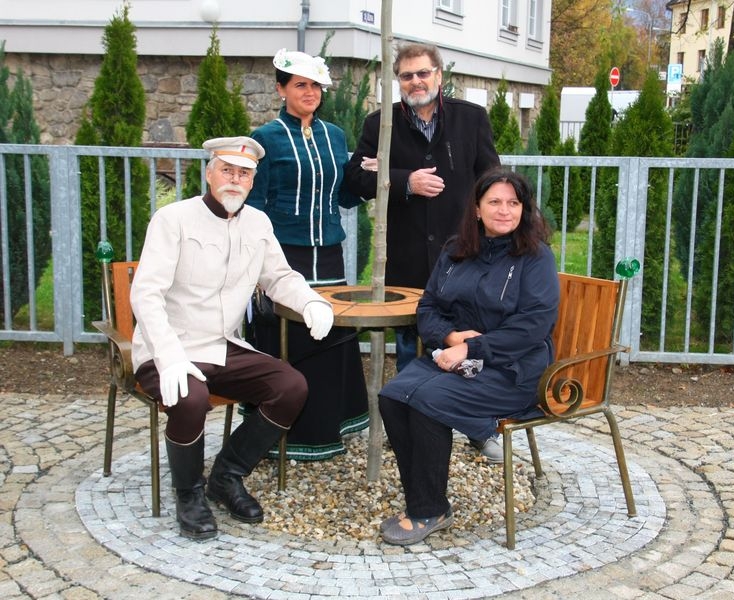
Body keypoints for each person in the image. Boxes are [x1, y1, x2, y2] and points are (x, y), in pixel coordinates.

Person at [131, 136, 335, 541]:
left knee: (291, 386)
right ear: (209, 172)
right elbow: (146, 293)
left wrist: (311, 302)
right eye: (227, 170)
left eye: (244, 173)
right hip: (169, 348)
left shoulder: (257, 224)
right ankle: (188, 494)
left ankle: (226, 476)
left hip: (223, 345)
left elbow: (279, 277)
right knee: (190, 399)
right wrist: (168, 355)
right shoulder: (173, 220)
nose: (235, 179)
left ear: (252, 181)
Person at [377, 167, 560, 545]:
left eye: (513, 203)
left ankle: (427, 509)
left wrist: (471, 348)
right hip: (457, 358)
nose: (504, 210)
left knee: (427, 400)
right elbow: (428, 307)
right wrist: (451, 336)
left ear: (524, 210)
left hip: (515, 371)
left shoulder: (535, 257)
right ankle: (425, 496)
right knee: (392, 396)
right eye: (494, 202)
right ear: (476, 209)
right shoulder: (456, 250)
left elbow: (533, 326)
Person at [344, 42, 502, 460]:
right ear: (397, 81)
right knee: (413, 343)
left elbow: (490, 180)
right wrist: (403, 180)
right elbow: (356, 181)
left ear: (439, 76)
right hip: (408, 257)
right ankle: (413, 425)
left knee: (470, 339)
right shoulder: (381, 124)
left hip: (465, 255)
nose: (416, 81)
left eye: (423, 73)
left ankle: (479, 427)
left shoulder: (471, 119)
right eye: (407, 75)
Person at [245, 49, 369, 461]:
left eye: (316, 85)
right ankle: (285, 434)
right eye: (300, 84)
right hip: (285, 257)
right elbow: (255, 208)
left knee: (331, 336)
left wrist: (369, 173)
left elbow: (347, 196)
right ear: (281, 89)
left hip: (330, 255)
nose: (310, 92)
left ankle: (327, 429)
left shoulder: (335, 135)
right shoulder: (265, 138)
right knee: (290, 338)